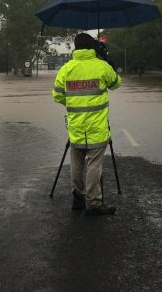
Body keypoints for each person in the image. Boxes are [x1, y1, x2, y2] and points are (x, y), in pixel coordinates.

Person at [52, 32, 122, 215]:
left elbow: (57, 95)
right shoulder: (101, 66)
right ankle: (94, 203)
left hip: (75, 126)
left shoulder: (66, 69)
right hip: (97, 127)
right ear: (93, 47)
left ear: (75, 47)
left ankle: (78, 198)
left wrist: (74, 103)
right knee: (93, 164)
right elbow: (116, 83)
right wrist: (108, 60)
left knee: (76, 163)